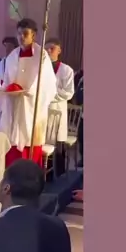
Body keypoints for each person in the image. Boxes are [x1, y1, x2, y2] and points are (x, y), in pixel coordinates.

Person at [0, 18, 57, 168]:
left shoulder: (42, 56)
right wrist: (8, 89)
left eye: (25, 33)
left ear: (33, 35)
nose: (21, 37)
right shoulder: (12, 56)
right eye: (19, 34)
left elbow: (47, 84)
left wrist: (27, 92)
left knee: (30, 145)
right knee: (12, 147)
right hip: (13, 106)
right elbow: (7, 79)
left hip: (32, 108)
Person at [45, 37, 75, 175]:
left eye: (52, 48)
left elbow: (68, 93)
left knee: (57, 146)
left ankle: (60, 175)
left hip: (57, 110)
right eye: (46, 49)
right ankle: (45, 174)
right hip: (43, 111)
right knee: (43, 145)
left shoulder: (66, 70)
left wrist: (50, 94)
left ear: (59, 50)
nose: (48, 51)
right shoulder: (40, 69)